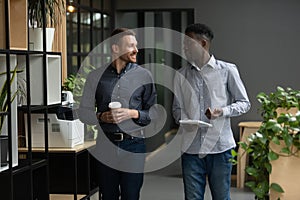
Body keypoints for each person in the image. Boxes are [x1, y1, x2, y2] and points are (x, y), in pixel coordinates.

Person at [172, 23, 251, 200]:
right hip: (191, 149)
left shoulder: (228, 70)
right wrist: (185, 121)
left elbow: (245, 103)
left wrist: (221, 111)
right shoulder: (181, 75)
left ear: (203, 44)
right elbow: (177, 110)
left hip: (220, 149)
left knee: (221, 197)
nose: (184, 47)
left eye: (188, 43)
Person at [78, 28, 157, 200]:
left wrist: (133, 113)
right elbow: (83, 112)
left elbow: (154, 114)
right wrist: (101, 117)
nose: (136, 50)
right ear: (115, 48)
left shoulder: (144, 75)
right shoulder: (95, 76)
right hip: (105, 144)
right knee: (108, 196)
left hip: (134, 145)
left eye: (136, 45)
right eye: (130, 46)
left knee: (131, 195)